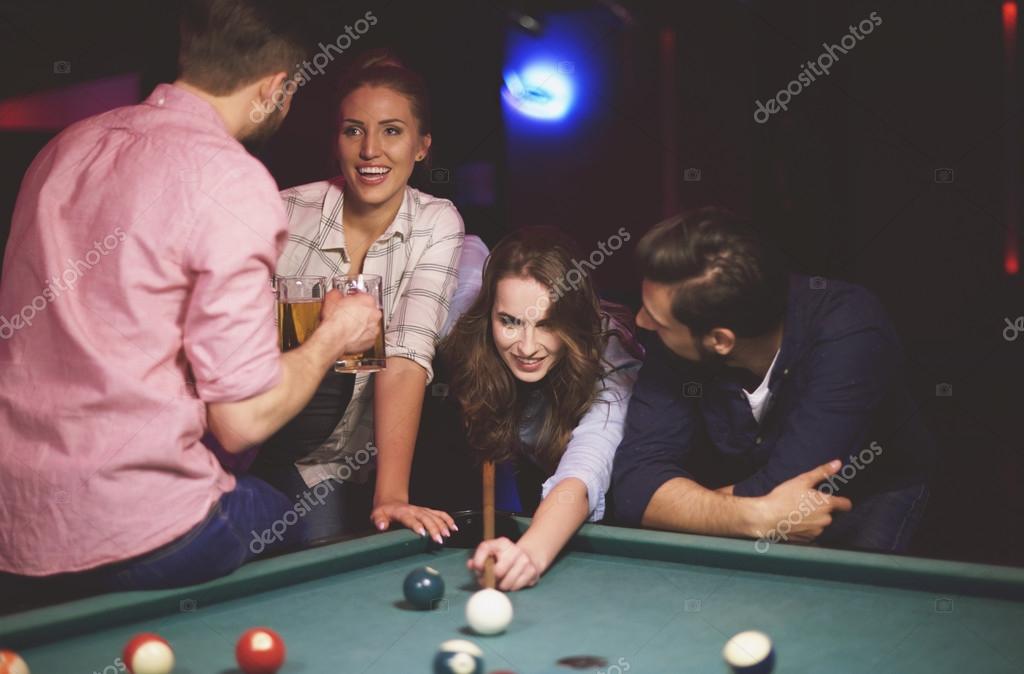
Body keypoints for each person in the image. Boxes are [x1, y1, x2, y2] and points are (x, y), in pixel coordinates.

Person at [0, 0, 381, 592]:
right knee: (302, 510)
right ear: (276, 87)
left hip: (17, 527)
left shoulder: (64, 148)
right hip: (143, 527)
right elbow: (241, 421)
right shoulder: (231, 178)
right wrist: (334, 335)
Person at [250, 51, 476, 544]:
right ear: (337, 141)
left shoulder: (437, 222)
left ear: (422, 147)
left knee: (336, 554)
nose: (370, 149)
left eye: (392, 131)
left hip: (346, 459)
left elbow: (407, 352)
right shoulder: (281, 212)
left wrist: (391, 494)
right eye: (354, 130)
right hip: (259, 445)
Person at [612, 207, 934, 552]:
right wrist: (751, 517)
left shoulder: (852, 330)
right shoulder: (677, 329)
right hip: (739, 495)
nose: (641, 322)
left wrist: (678, 506)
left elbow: (788, 487)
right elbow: (633, 488)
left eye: (657, 320)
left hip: (867, 495)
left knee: (850, 602)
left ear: (720, 341)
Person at [422, 228, 642, 591]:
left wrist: (530, 553)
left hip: (619, 509)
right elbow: (466, 245)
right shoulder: (466, 328)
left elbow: (585, 468)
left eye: (547, 324)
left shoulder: (612, 367)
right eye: (509, 321)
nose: (526, 347)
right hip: (538, 477)